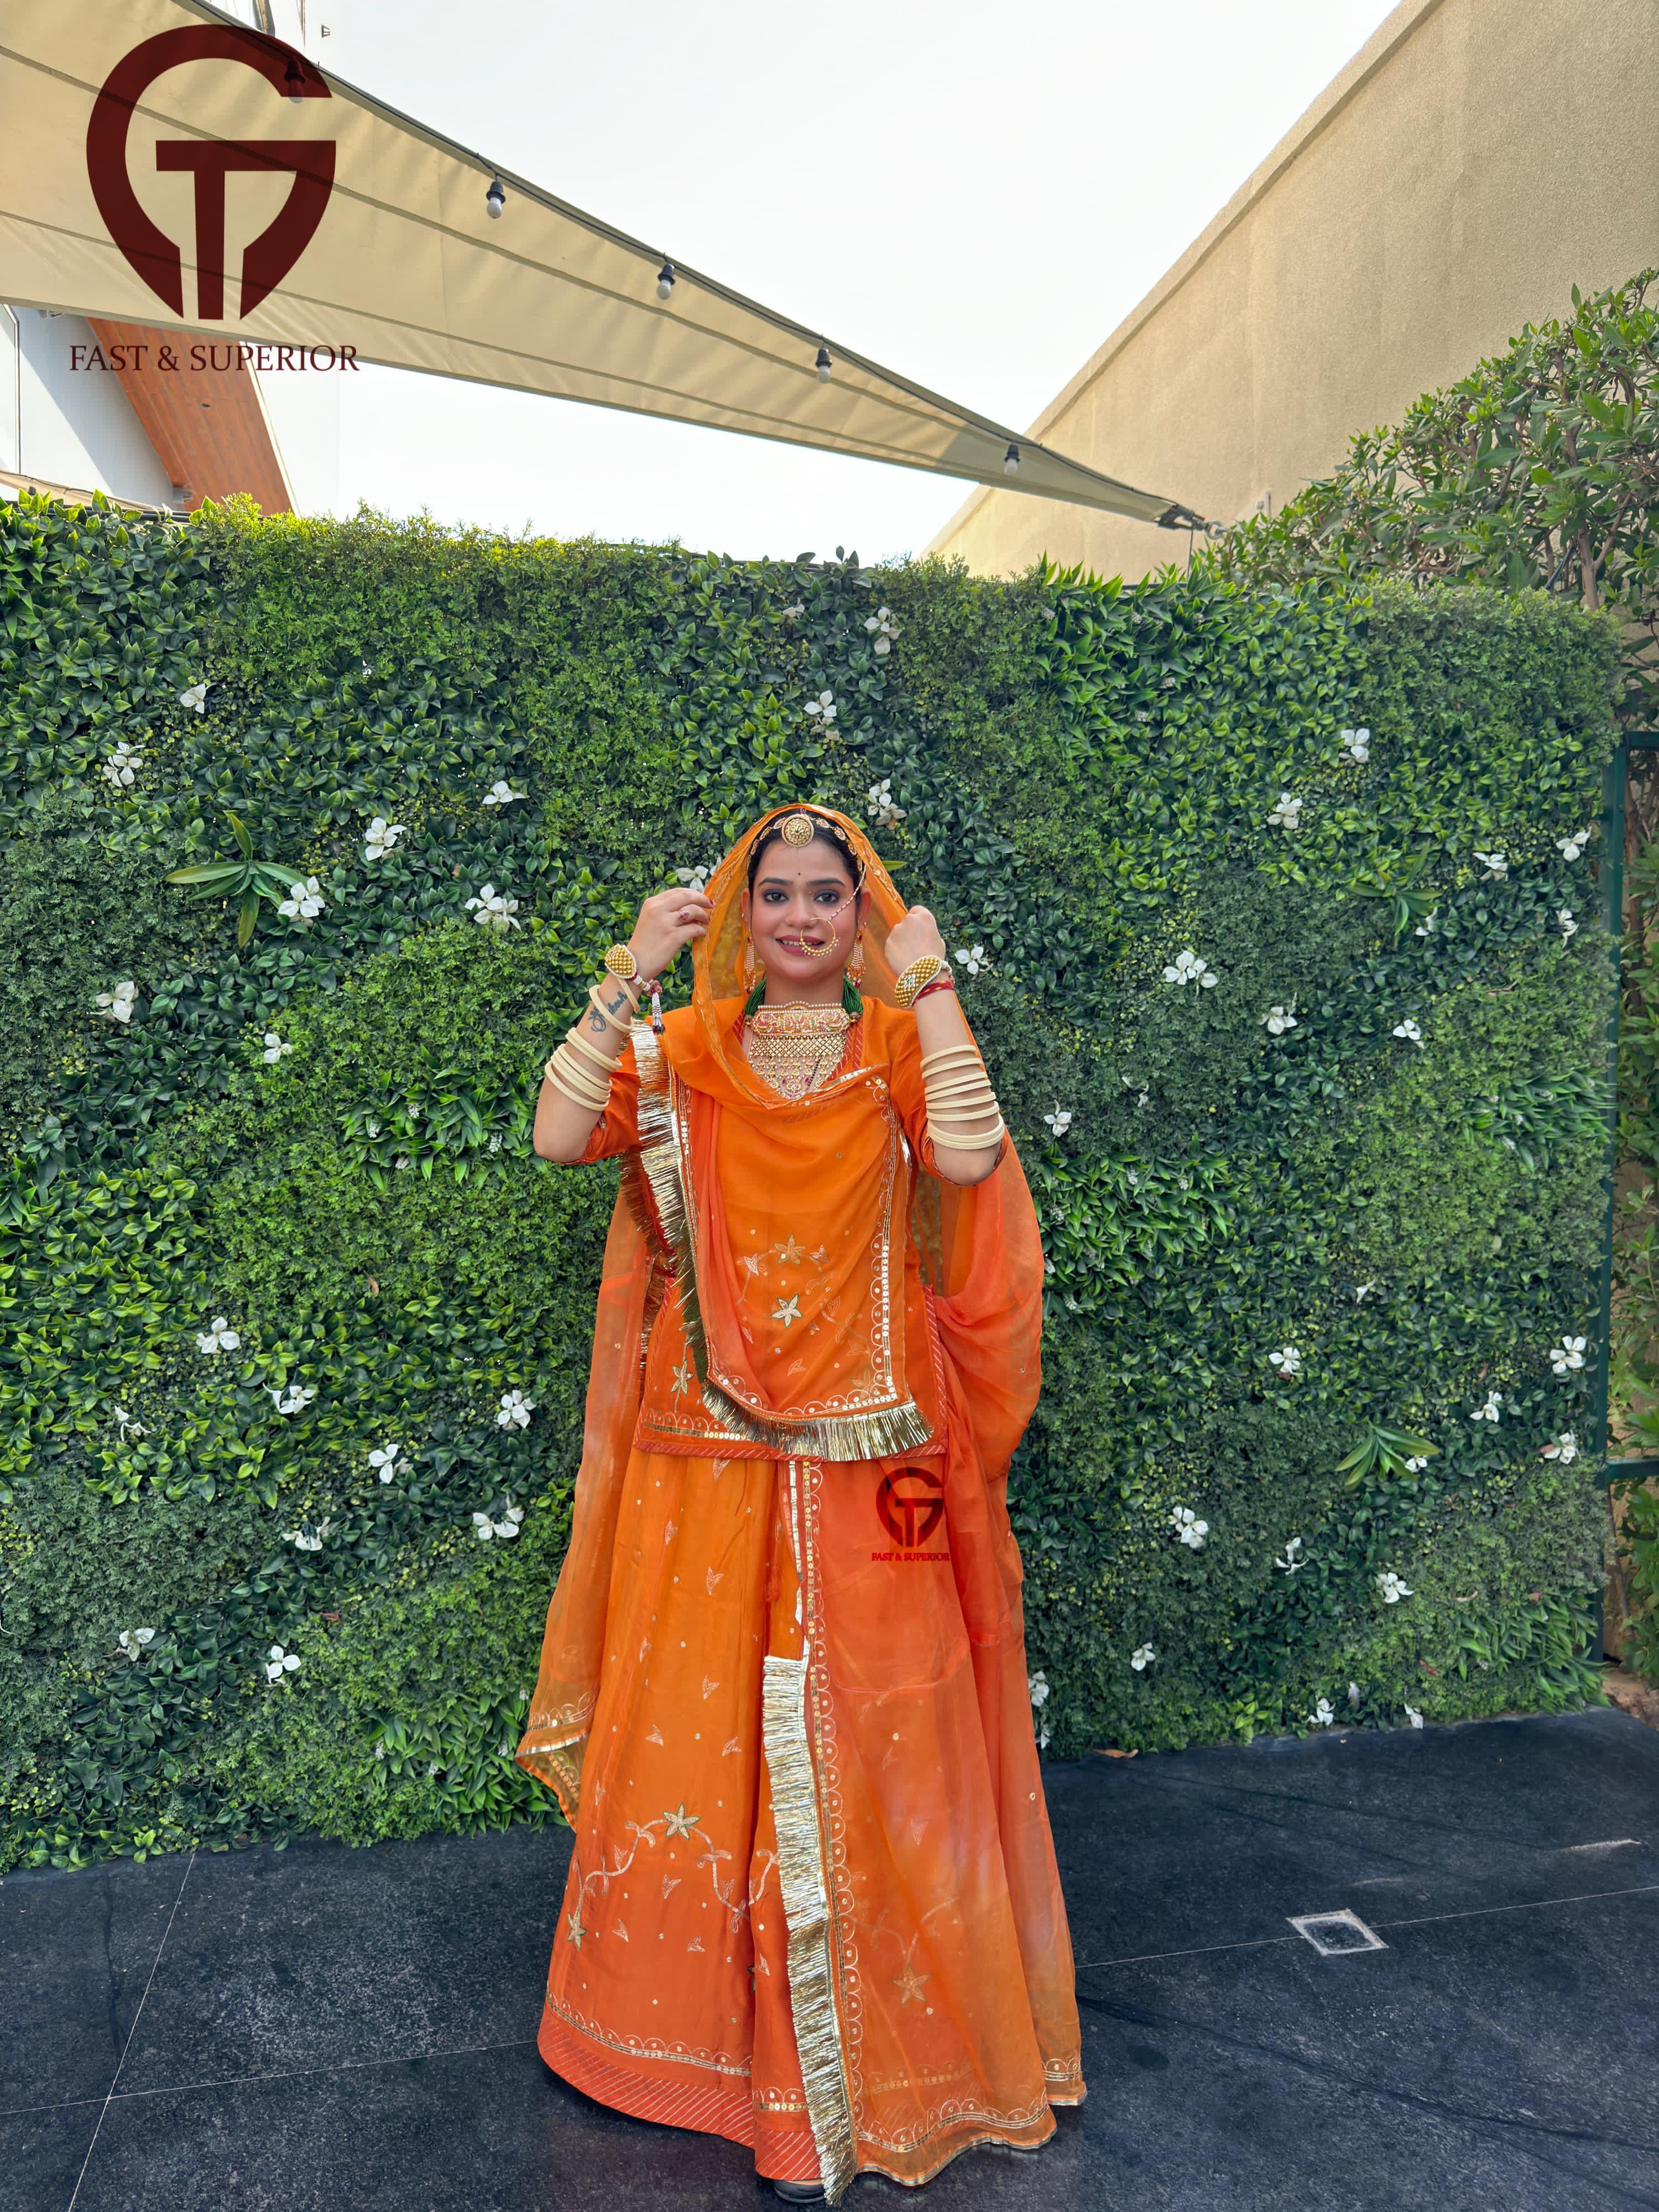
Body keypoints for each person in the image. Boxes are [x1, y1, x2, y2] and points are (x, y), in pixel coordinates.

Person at [515, 803, 1082, 2203]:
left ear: (860, 913)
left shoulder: (895, 1046)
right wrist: (629, 970)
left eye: (829, 895)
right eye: (777, 894)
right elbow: (557, 1133)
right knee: (696, 1722)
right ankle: (696, 2047)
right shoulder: (691, 1048)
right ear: (743, 913)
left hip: (875, 1455)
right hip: (703, 1445)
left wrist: (930, 975)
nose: (803, 917)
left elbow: (967, 1160)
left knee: (887, 1719)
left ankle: (891, 2057)